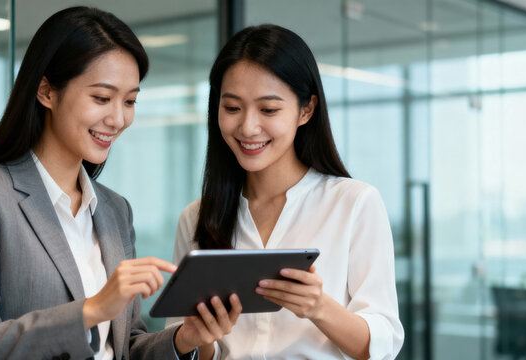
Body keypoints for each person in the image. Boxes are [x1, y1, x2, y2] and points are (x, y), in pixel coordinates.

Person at [0, 7, 240, 360]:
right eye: (101, 98)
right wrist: (91, 310)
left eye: (130, 101)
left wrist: (185, 338)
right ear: (46, 91)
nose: (118, 118)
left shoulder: (115, 210)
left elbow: (126, 347)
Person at [169, 25, 404, 359]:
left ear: (306, 110)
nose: (248, 127)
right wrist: (202, 337)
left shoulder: (354, 203)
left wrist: (319, 307)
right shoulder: (196, 217)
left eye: (269, 110)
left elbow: (383, 344)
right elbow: (182, 344)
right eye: (232, 108)